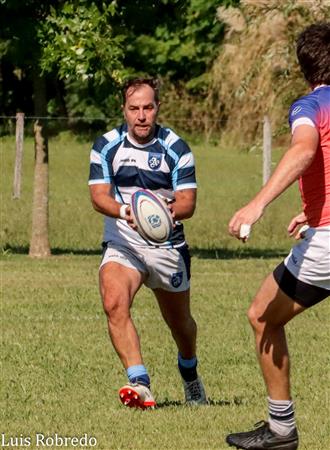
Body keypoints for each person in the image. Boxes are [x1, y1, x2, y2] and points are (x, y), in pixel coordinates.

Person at [226, 22, 330, 450]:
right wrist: (314, 212)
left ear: (303, 65)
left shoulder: (310, 105)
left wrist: (258, 203)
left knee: (262, 316)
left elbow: (305, 149)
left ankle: (281, 430)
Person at [88, 77, 207, 409]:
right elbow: (99, 197)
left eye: (148, 108)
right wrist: (128, 212)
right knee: (114, 303)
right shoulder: (106, 145)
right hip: (123, 242)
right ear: (124, 110)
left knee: (180, 324)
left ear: (158, 108)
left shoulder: (177, 148)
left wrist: (157, 215)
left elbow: (187, 203)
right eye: (134, 108)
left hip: (167, 247)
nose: (141, 115)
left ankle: (190, 374)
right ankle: (140, 384)